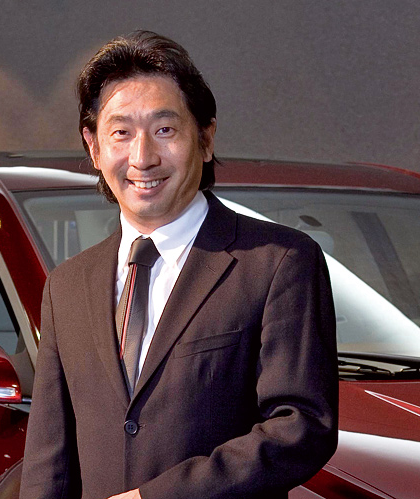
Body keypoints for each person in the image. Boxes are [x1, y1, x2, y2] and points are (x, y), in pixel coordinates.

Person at [20, 30, 338, 499]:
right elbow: (49, 462)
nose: (142, 157)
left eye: (164, 130)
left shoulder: (278, 263)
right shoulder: (67, 286)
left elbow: (302, 427)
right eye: (121, 132)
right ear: (93, 148)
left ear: (205, 138)